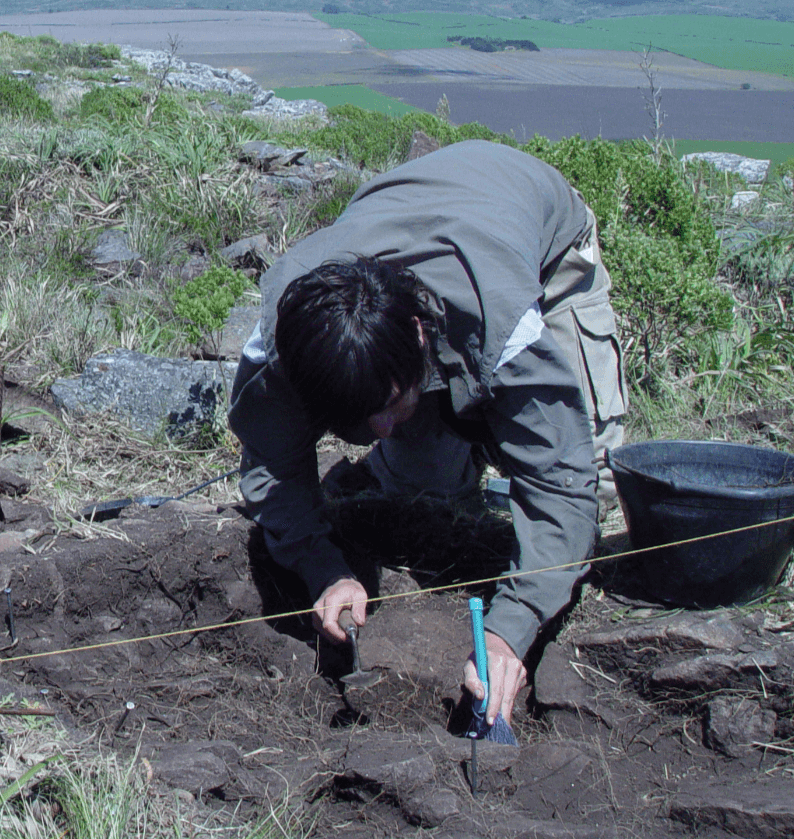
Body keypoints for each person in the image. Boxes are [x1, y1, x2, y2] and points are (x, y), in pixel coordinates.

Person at [228, 140, 627, 726]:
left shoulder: (504, 320)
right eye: (360, 422)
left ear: (419, 335)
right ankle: (436, 453)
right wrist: (325, 569)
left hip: (536, 234)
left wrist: (510, 634)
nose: (381, 428)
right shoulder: (284, 340)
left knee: (594, 471)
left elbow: (561, 482)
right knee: (425, 491)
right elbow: (273, 466)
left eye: (390, 407)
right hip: (416, 216)